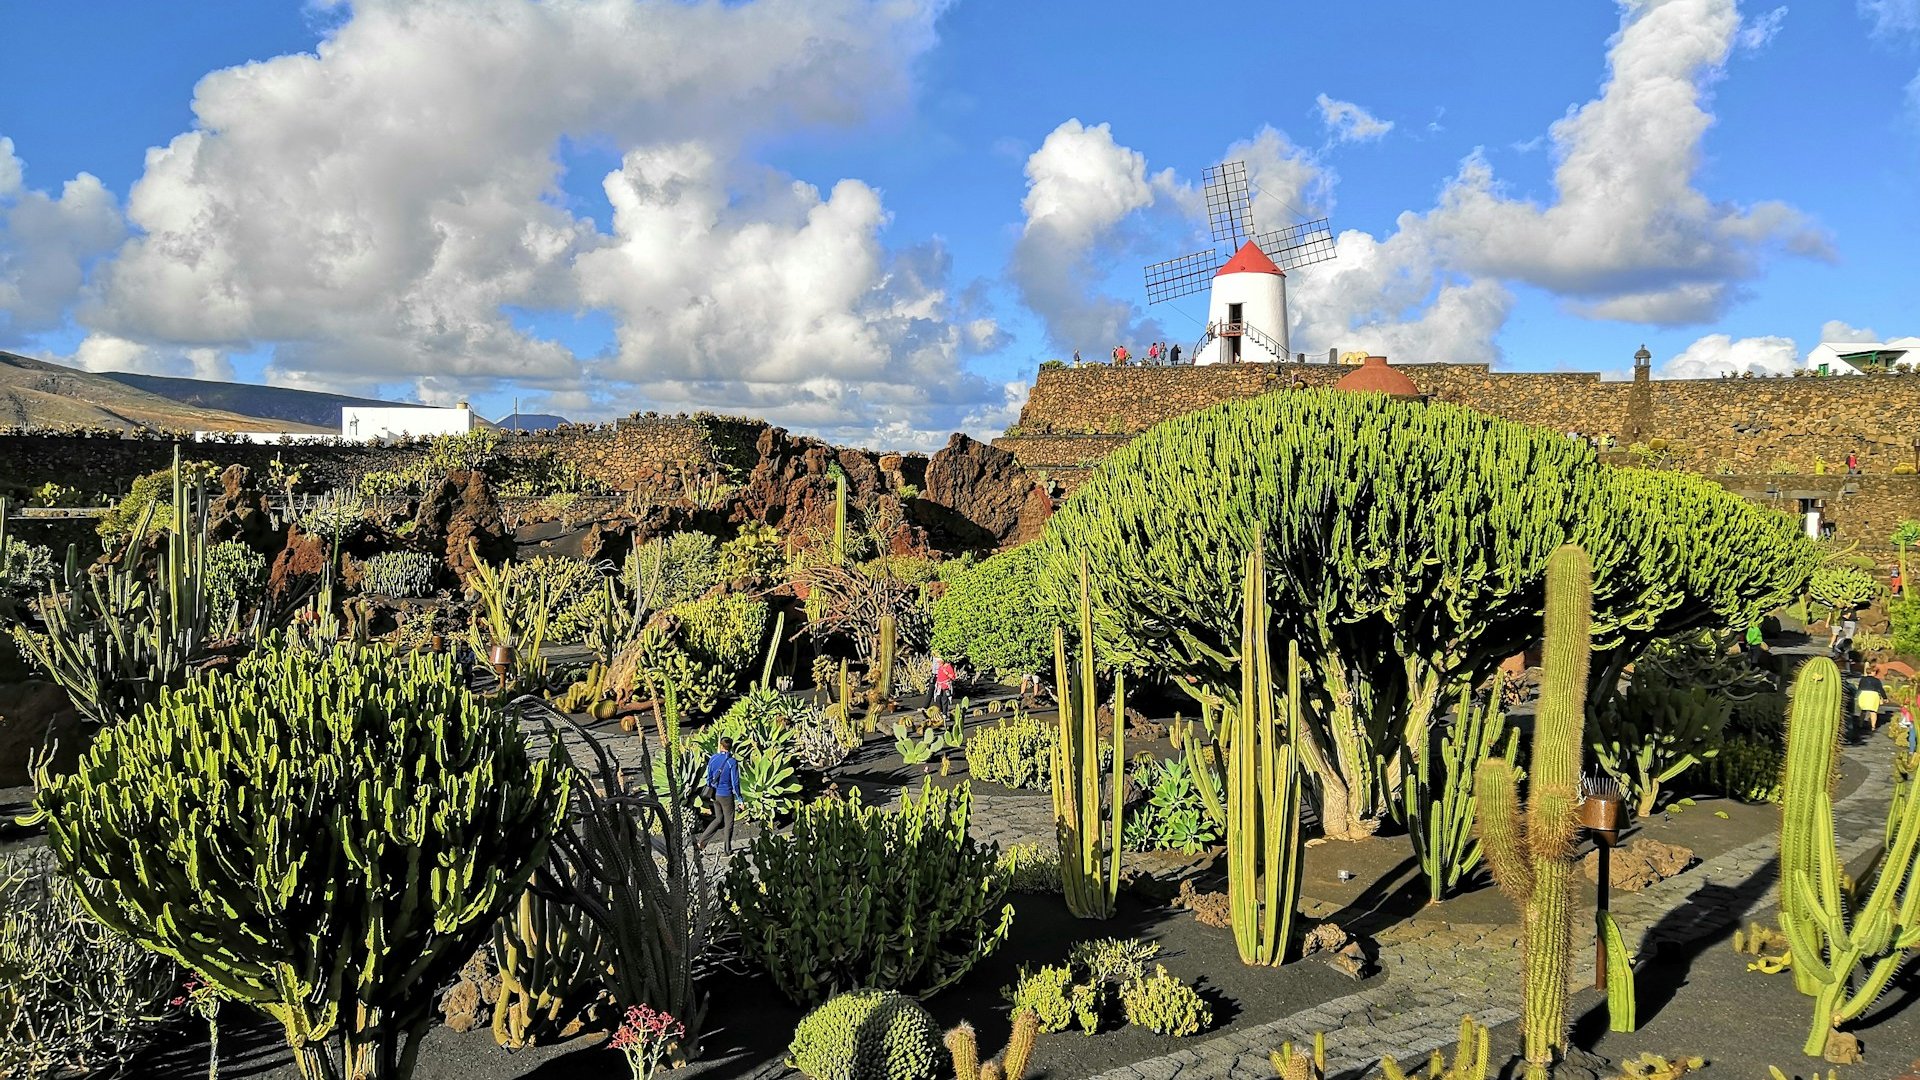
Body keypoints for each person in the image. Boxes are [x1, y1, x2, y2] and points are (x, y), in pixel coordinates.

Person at [697, 738, 741, 851]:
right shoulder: (732, 762)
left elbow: (709, 777)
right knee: (729, 822)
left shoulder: (713, 758)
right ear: (731, 747)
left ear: (720, 746)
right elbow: (735, 783)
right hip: (726, 795)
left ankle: (702, 841)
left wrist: (711, 788)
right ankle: (727, 850)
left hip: (715, 794)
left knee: (718, 818)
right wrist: (740, 799)